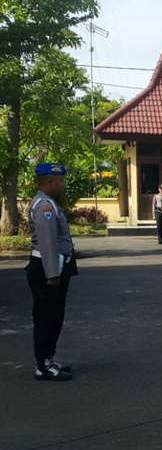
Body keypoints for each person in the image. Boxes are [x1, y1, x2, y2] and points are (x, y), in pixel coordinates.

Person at [26, 162, 77, 381]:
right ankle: (43, 366)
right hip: (48, 269)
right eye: (60, 181)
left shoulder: (48, 203)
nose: (62, 185)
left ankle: (49, 359)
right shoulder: (44, 206)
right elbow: (47, 243)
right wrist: (52, 274)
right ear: (49, 181)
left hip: (53, 266)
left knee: (55, 316)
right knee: (47, 317)